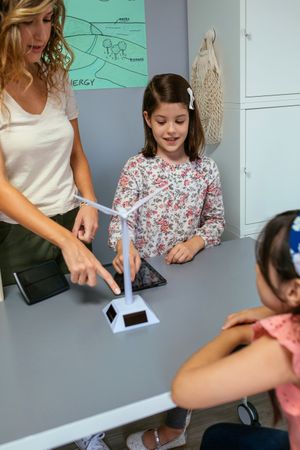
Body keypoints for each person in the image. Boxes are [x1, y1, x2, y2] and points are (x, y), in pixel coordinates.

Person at [0, 1, 120, 449]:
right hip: (19, 235)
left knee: (82, 329)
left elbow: (77, 154)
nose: (41, 33)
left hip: (72, 222)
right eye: (28, 21)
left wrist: (87, 201)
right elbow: (2, 187)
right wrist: (60, 241)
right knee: (32, 345)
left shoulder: (56, 77)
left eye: (48, 20)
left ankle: (87, 430)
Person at [108, 73, 225, 450]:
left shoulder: (204, 168)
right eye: (161, 121)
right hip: (147, 280)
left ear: (191, 118)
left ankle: (176, 429)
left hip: (191, 281)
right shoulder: (136, 168)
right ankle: (151, 400)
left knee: (187, 354)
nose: (171, 130)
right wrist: (125, 248)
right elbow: (118, 223)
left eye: (179, 120)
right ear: (147, 119)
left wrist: (194, 242)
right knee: (151, 353)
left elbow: (217, 221)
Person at [172, 209, 300, 450]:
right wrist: (271, 313)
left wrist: (237, 334)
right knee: (219, 435)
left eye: (262, 263)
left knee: (216, 438)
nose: (255, 269)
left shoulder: (285, 347)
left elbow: (183, 391)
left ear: (293, 292)